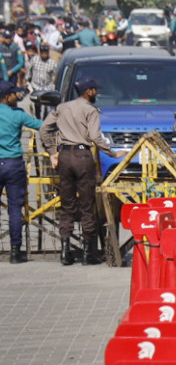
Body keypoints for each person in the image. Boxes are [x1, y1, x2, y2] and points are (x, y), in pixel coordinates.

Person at [40, 77, 128, 265]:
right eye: (95, 90)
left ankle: (65, 251)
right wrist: (112, 153)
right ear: (88, 91)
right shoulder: (91, 110)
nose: (97, 93)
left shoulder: (62, 108)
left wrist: (52, 152)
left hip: (64, 157)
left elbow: (44, 129)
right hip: (82, 157)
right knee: (87, 205)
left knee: (67, 205)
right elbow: (95, 136)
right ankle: (88, 253)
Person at [0, 80, 40, 263]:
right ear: (7, 97)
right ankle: (15, 251)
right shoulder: (17, 115)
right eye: (14, 94)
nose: (17, 96)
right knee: (15, 208)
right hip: (13, 163)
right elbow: (42, 125)